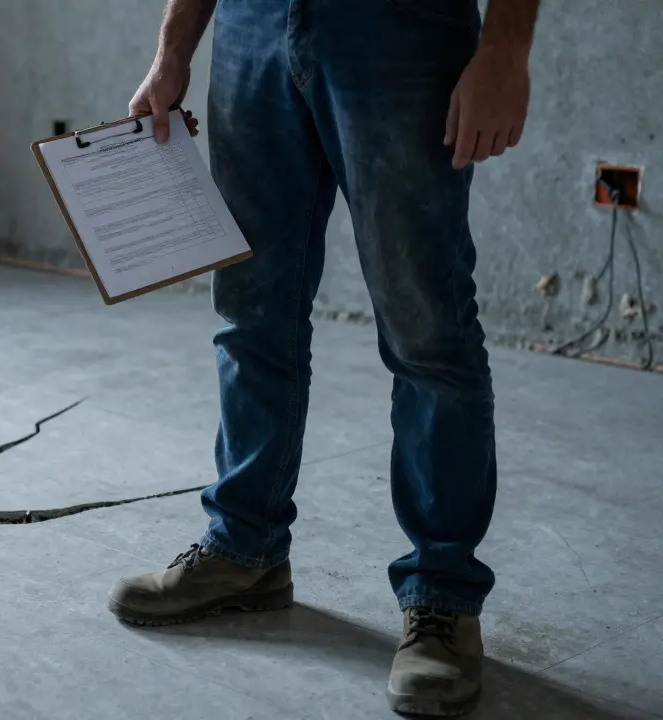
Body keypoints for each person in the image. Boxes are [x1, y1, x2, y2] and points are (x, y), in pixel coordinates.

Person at [106, 0, 537, 715]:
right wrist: (173, 50)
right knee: (250, 310)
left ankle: (442, 595)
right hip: (251, 25)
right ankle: (244, 549)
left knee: (427, 331)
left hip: (400, 30)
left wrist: (505, 50)